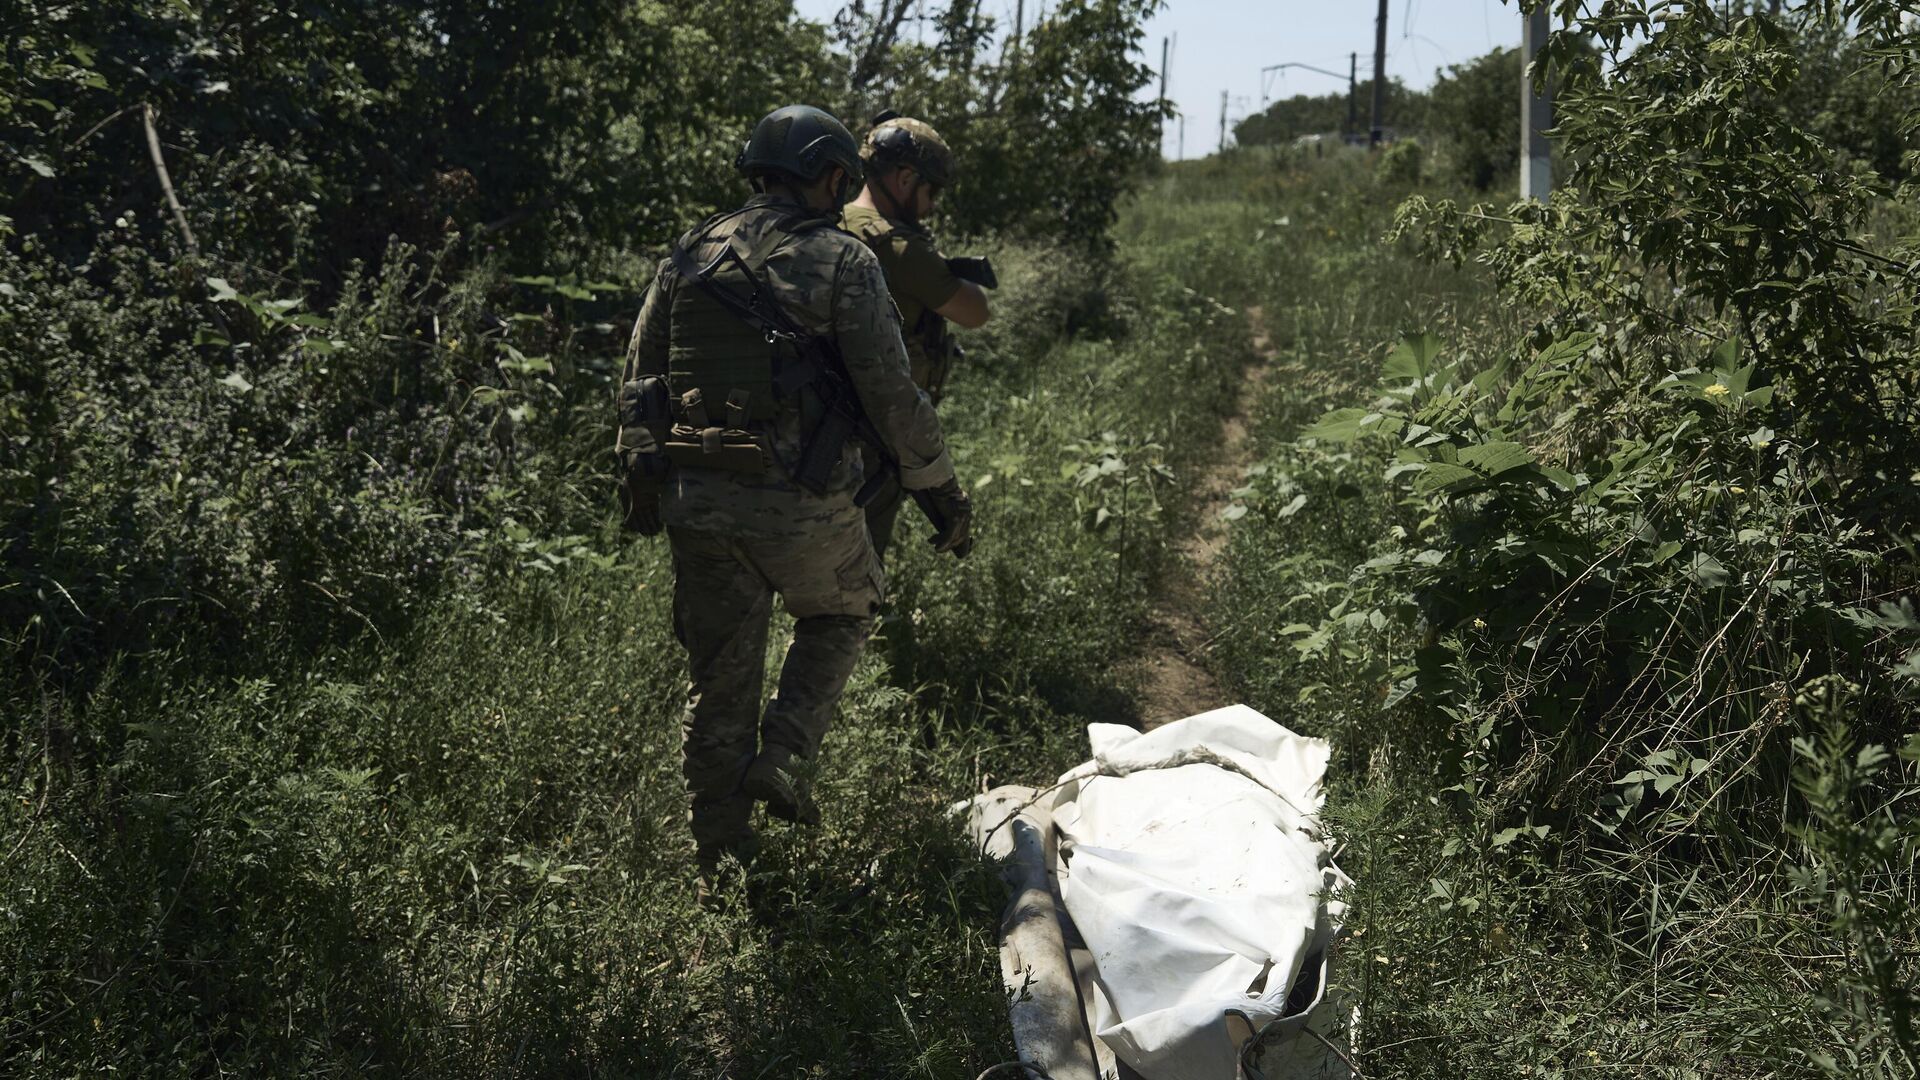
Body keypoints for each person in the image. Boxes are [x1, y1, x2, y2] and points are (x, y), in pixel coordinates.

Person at [615, 105, 972, 904]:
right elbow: (893, 394)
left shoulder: (687, 255)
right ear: (833, 177)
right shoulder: (843, 260)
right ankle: (785, 753)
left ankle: (722, 861)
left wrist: (640, 480)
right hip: (802, 505)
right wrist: (940, 492)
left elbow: (640, 381)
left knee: (719, 680)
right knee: (844, 611)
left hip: (696, 500)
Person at [841, 114, 992, 563]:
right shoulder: (897, 245)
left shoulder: (833, 220)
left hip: (821, 421)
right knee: (857, 570)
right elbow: (975, 312)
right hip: (878, 429)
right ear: (904, 178)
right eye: (931, 192)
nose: (930, 207)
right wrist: (935, 262)